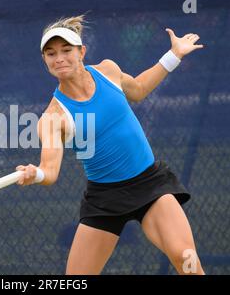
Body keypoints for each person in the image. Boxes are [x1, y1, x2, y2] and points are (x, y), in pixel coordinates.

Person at [15, 15, 205, 275]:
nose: (58, 58)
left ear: (82, 52)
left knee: (187, 261)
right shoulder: (53, 118)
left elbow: (138, 89)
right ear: (45, 60)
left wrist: (174, 55)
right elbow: (49, 172)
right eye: (50, 53)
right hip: (104, 199)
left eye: (66, 50)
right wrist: (34, 173)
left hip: (149, 185)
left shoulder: (108, 71)